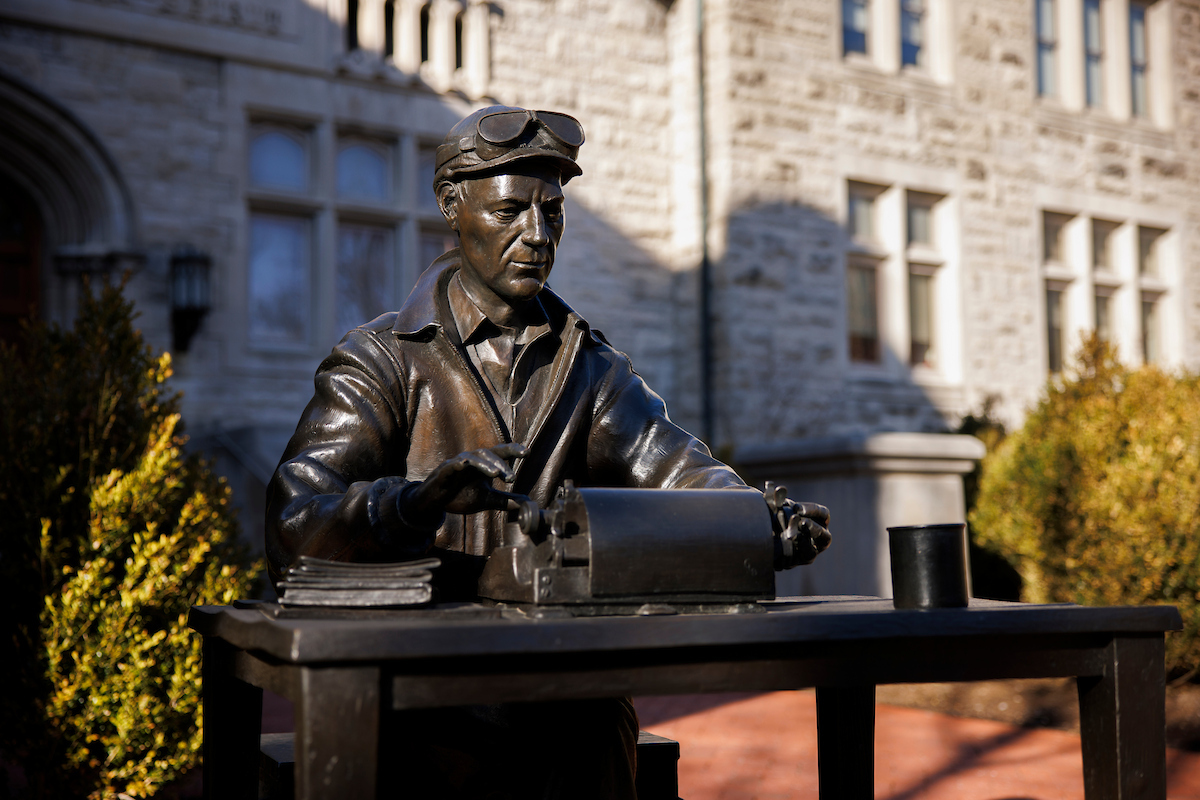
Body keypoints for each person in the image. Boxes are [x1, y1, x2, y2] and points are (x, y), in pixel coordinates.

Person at [266, 105, 831, 799]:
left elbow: (675, 465)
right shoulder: (380, 362)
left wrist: (758, 520)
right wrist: (420, 500)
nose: (537, 235)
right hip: (422, 694)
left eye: (552, 214)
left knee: (596, 728)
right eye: (510, 213)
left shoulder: (592, 368)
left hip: (565, 698)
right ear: (454, 208)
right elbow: (297, 525)